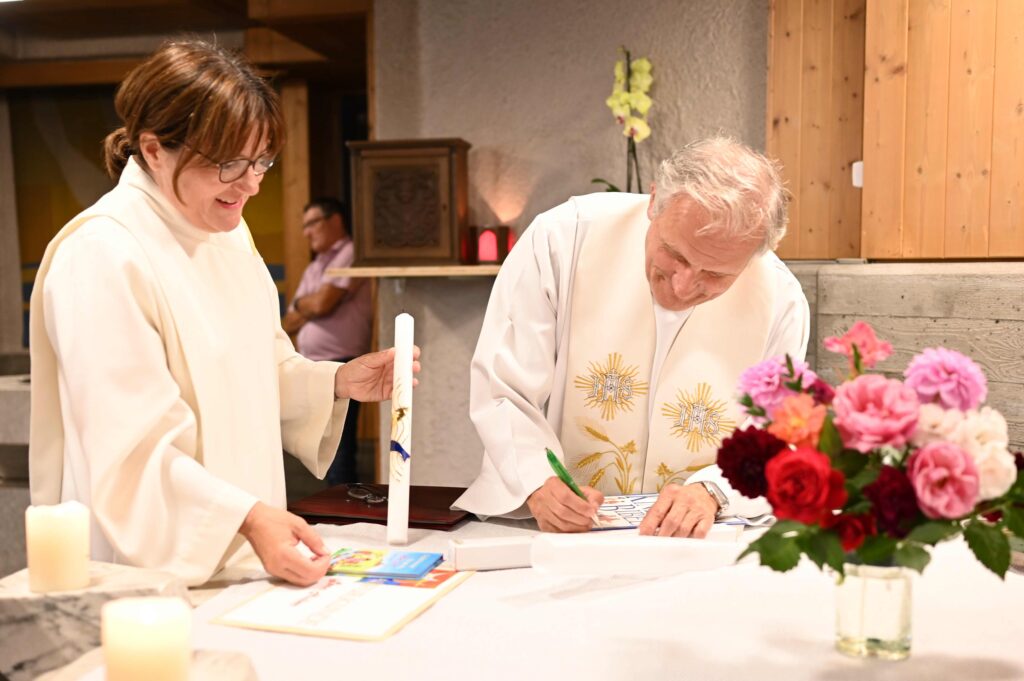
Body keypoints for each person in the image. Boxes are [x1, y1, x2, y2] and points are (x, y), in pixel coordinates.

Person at [28, 39, 417, 588]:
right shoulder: (103, 254)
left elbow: (258, 373)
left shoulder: (228, 237)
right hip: (152, 566)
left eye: (261, 160)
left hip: (250, 546)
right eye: (230, 163)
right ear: (155, 148)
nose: (253, 183)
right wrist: (248, 519)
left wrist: (336, 381)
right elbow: (131, 450)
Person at [455, 137, 809, 538]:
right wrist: (537, 481)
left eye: (715, 275)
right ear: (654, 201)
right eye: (675, 253)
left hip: (700, 543)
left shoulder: (780, 298)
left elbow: (776, 431)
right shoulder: (563, 238)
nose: (684, 285)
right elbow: (503, 386)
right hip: (565, 533)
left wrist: (713, 492)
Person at [282, 198, 372, 485]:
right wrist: (309, 304)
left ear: (334, 221)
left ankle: (345, 515)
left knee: (340, 447)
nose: (306, 232)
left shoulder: (350, 251)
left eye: (312, 223)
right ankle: (332, 510)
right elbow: (290, 319)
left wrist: (306, 304)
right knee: (321, 445)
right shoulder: (316, 265)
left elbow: (321, 304)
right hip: (312, 366)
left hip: (342, 362)